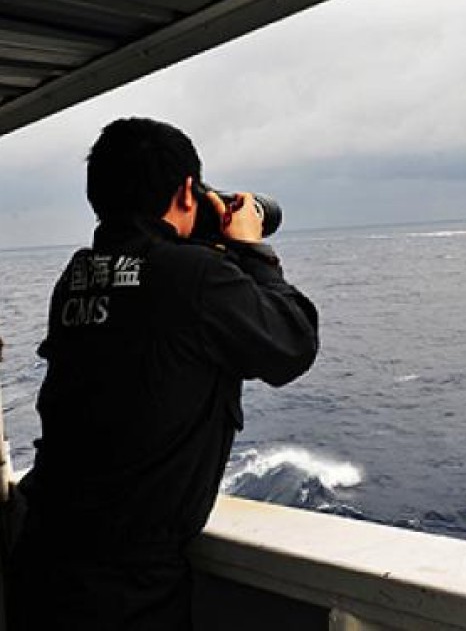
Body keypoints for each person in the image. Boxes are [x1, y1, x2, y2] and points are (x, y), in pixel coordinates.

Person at [9, 117, 319, 630]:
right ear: (185, 192)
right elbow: (293, 344)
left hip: (43, 562)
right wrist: (251, 250)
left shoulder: (78, 275)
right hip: (126, 593)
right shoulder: (194, 280)